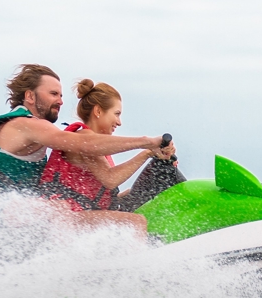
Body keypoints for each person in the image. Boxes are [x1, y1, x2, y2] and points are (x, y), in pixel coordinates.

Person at [0, 64, 171, 199]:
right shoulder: (23, 123)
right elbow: (79, 143)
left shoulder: (37, 138)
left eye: (61, 95)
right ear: (30, 96)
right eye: (53, 94)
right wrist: (147, 143)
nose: (61, 101)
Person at [39, 79, 186, 232]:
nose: (119, 122)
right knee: (135, 222)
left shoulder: (101, 146)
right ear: (98, 111)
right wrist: (147, 151)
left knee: (161, 176)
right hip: (67, 217)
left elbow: (106, 197)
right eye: (116, 114)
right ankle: (142, 255)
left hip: (87, 213)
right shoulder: (84, 139)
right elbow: (110, 179)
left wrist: (157, 174)